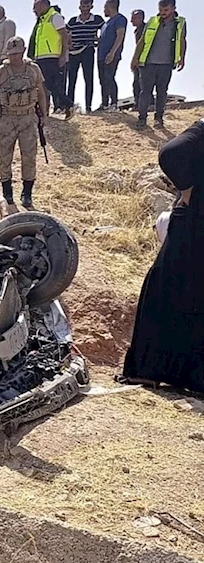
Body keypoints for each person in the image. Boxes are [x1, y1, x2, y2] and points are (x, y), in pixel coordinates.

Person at [121, 120, 204, 392]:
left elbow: (172, 153)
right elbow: (172, 154)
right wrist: (190, 192)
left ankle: (162, 371)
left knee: (174, 294)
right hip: (193, 223)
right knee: (173, 293)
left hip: (193, 224)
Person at [0, 36, 47, 210]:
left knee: (29, 156)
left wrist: (44, 114)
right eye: (11, 54)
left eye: (17, 53)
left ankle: (27, 193)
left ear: (23, 51)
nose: (14, 57)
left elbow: (41, 93)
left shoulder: (33, 69)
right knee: (5, 156)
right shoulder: (0, 72)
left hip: (28, 117)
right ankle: (7, 192)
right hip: (7, 119)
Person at [131, 0, 187, 129]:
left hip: (166, 64)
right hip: (148, 63)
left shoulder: (180, 23)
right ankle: (142, 119)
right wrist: (135, 58)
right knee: (145, 92)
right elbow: (142, 41)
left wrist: (182, 58)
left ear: (173, 8)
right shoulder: (152, 21)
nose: (162, 13)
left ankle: (158, 119)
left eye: (166, 10)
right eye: (161, 10)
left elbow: (182, 40)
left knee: (162, 92)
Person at [30, 0, 73, 119]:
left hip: (52, 57)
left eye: (36, 7)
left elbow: (64, 36)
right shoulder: (42, 20)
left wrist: (63, 55)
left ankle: (69, 105)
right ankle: (44, 112)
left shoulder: (55, 17)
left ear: (43, 5)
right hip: (40, 57)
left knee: (52, 85)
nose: (34, 10)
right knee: (42, 86)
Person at [67, 1, 105, 114]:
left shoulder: (97, 19)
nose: (85, 9)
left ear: (91, 7)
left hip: (88, 50)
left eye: (87, 6)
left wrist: (99, 40)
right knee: (71, 79)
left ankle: (88, 106)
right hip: (74, 52)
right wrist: (68, 44)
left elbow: (106, 29)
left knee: (88, 78)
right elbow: (65, 32)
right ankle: (69, 106)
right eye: (83, 6)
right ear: (79, 7)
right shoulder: (73, 21)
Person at [97, 0, 128, 111]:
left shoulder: (120, 19)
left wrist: (112, 52)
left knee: (109, 78)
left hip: (111, 55)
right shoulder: (106, 23)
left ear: (110, 7)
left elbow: (120, 36)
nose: (104, 10)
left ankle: (114, 103)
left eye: (105, 7)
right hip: (101, 55)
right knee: (102, 80)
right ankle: (104, 104)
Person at [131, 9, 146, 106]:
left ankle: (141, 104)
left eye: (134, 18)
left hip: (143, 60)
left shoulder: (144, 29)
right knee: (137, 83)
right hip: (140, 58)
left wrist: (136, 59)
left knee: (140, 83)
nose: (131, 21)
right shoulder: (138, 30)